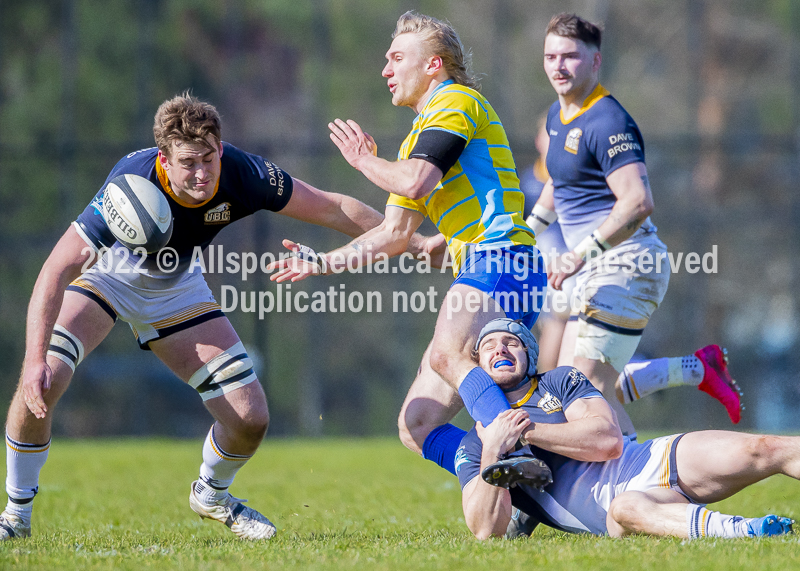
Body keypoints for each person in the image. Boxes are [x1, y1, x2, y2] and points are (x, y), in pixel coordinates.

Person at [0, 92, 433, 541]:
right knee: (45, 378)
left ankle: (211, 493)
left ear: (221, 149)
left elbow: (330, 206)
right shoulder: (129, 184)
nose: (202, 172)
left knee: (250, 418)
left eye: (209, 158)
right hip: (110, 273)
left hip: (178, 285)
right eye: (189, 162)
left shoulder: (243, 174)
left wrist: (417, 245)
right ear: (164, 161)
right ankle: (16, 515)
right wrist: (33, 359)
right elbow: (57, 268)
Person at [267, 11, 547, 478]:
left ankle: (513, 446)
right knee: (416, 423)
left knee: (444, 353)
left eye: (397, 57)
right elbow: (395, 234)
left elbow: (417, 181)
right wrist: (323, 263)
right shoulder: (418, 136)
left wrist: (362, 161)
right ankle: (509, 483)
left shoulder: (456, 101)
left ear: (434, 64)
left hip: (503, 258)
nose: (386, 69)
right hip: (484, 266)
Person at [527, 13, 741, 439]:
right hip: (597, 271)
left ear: (596, 60)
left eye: (570, 56)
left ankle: (639, 490)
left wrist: (579, 254)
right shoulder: (557, 114)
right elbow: (558, 185)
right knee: (568, 391)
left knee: (579, 395)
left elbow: (638, 202)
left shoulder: (607, 121)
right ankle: (695, 372)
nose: (559, 66)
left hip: (627, 266)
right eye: (551, 56)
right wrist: (522, 233)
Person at [457, 318, 795, 540]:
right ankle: (748, 531)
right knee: (626, 508)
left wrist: (525, 432)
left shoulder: (559, 381)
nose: (500, 348)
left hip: (650, 458)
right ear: (481, 369)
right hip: (619, 508)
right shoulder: (474, 445)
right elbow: (487, 529)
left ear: (530, 355)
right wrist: (493, 450)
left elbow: (608, 441)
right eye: (489, 346)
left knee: (765, 447)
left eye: (511, 342)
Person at [519, 113, 574, 372]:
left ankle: (549, 395)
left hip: (575, 270)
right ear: (538, 141)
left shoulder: (579, 181)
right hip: (545, 273)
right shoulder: (525, 184)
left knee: (561, 331)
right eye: (548, 135)